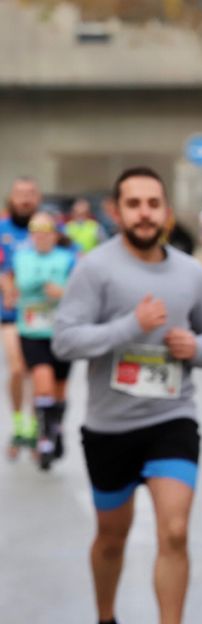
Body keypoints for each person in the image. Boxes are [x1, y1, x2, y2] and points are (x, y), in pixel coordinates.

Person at [53, 167, 202, 624]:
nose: (145, 212)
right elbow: (65, 341)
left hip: (172, 417)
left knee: (174, 530)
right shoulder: (95, 269)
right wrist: (131, 326)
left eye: (154, 203)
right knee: (112, 536)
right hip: (109, 427)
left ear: (166, 211)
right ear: (116, 211)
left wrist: (196, 348)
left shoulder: (190, 273)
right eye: (134, 203)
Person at [11, 210, 75, 469]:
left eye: (47, 232)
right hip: (32, 331)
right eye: (37, 232)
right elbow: (24, 283)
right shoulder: (22, 257)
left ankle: (57, 428)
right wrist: (46, 284)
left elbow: (76, 289)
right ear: (31, 235)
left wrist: (61, 292)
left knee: (59, 389)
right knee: (43, 383)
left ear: (54, 234)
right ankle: (45, 437)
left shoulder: (67, 258)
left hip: (60, 331)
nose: (42, 237)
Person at [0, 177, 41, 456]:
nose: (24, 199)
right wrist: (8, 287)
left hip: (43, 316)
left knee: (38, 373)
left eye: (30, 194)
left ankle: (36, 427)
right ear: (11, 198)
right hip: (12, 313)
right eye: (19, 194)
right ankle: (18, 424)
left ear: (37, 198)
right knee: (17, 369)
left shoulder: (48, 228)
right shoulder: (2, 230)